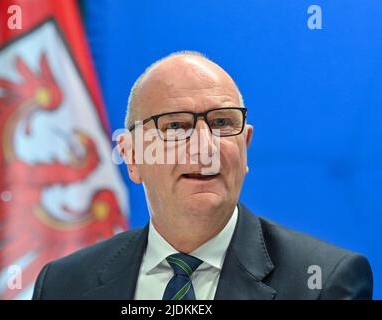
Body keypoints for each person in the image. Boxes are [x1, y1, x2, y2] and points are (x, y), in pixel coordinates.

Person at [32, 51, 373, 300]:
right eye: (176, 126)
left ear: (245, 145)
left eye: (222, 123)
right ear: (132, 156)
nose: (204, 147)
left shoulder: (324, 282)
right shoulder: (64, 284)